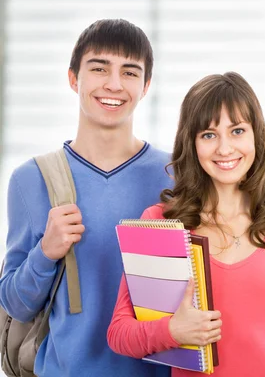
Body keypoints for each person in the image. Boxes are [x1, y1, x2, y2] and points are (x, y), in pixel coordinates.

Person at [107, 72, 265, 377]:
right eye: (209, 135)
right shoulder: (160, 225)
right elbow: (120, 334)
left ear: (256, 137)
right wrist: (172, 330)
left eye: (237, 131)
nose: (225, 149)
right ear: (192, 143)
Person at [0, 19, 171, 376]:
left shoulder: (177, 176)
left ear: (146, 86)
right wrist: (45, 253)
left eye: (129, 72)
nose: (113, 84)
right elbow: (15, 304)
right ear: (73, 78)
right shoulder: (30, 180)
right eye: (99, 68)